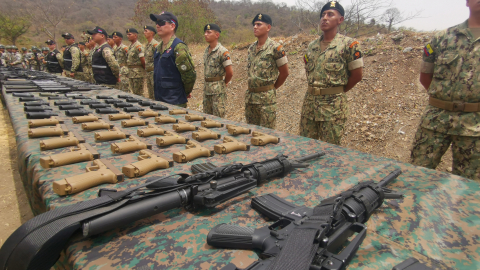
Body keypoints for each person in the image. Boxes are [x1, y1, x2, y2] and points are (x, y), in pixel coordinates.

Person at [411, 0, 480, 180]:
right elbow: (426, 76)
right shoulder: (443, 38)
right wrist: (444, 100)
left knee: (469, 186)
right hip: (436, 119)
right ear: (467, 2)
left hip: (475, 125)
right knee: (417, 175)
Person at [299, 1, 363, 145]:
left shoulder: (349, 45)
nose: (325, 18)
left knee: (330, 152)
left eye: (330, 14)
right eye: (322, 15)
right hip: (310, 107)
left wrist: (337, 92)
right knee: (305, 147)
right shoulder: (312, 46)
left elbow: (357, 75)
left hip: (333, 109)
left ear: (340, 20)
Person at [246, 13, 289, 129]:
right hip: (250, 98)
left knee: (266, 135)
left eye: (259, 24)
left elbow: (285, 73)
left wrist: (272, 88)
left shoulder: (276, 48)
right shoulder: (251, 49)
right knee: (250, 133)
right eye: (254, 25)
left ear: (268, 27)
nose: (255, 27)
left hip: (266, 100)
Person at [149, 12, 196, 107]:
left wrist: (184, 92)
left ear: (172, 26)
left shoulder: (178, 47)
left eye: (162, 22)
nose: (157, 25)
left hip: (175, 102)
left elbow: (189, 76)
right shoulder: (158, 48)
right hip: (160, 100)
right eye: (156, 23)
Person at [202, 23, 233, 118]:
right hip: (207, 90)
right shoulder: (206, 51)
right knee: (207, 118)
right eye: (205, 32)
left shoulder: (223, 51)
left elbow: (230, 72)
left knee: (218, 119)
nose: (205, 34)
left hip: (218, 91)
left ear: (217, 35)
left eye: (208, 32)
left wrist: (223, 83)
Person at [126, 28, 146, 96]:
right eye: (127, 34)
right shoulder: (130, 46)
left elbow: (143, 60)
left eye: (129, 34)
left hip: (137, 73)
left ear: (135, 35)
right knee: (134, 93)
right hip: (131, 73)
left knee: (139, 93)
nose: (128, 36)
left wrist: (143, 71)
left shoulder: (138, 46)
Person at [144, 25, 159, 99]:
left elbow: (159, 59)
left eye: (146, 31)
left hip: (154, 72)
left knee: (155, 93)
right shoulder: (147, 45)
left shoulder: (155, 45)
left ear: (152, 33)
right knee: (150, 95)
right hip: (148, 72)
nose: (144, 33)